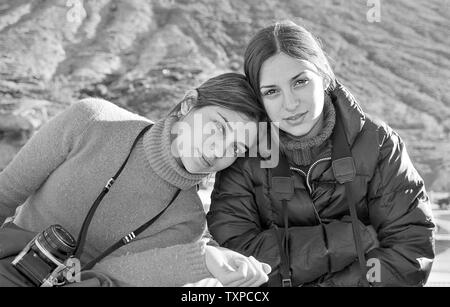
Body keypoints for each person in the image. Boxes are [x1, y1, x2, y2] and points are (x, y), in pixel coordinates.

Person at [207, 21, 435, 287]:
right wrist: (354, 238)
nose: (290, 104)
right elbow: (236, 256)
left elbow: (409, 250)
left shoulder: (379, 143)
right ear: (259, 99)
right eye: (272, 92)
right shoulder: (244, 155)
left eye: (300, 82)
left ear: (325, 76)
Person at [0, 73, 272, 287]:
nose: (218, 151)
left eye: (236, 148)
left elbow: (107, 277)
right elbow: (5, 195)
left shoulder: (188, 221)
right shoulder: (92, 121)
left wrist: (202, 259)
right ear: (189, 104)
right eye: (218, 127)